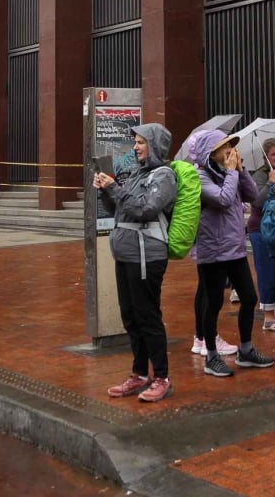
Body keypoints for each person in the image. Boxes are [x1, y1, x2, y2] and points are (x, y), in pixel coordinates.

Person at [93, 123, 177, 403]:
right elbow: (117, 209)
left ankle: (162, 377)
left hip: (146, 256)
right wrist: (105, 190)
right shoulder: (136, 174)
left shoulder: (163, 175)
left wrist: (115, 188)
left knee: (147, 316)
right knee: (130, 316)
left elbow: (145, 209)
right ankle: (140, 373)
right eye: (136, 142)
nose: (136, 147)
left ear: (155, 145)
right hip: (126, 255)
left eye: (141, 142)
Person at [187, 129, 275, 377]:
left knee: (249, 297)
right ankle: (211, 355)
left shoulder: (230, 173)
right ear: (210, 152)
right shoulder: (200, 177)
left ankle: (246, 350)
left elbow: (253, 195)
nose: (230, 150)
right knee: (213, 302)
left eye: (231, 146)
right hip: (213, 251)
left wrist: (241, 170)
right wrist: (231, 173)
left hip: (235, 249)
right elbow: (223, 199)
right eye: (224, 146)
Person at [248, 137, 275, 332]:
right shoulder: (259, 175)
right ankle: (268, 317)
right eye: (273, 154)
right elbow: (256, 201)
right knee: (267, 272)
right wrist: (271, 183)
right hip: (261, 230)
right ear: (266, 157)